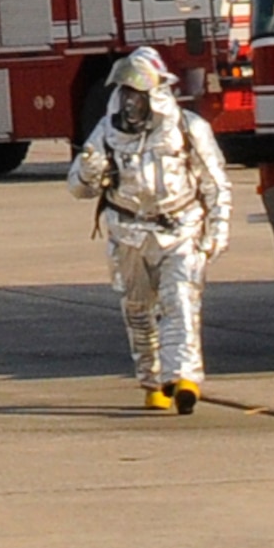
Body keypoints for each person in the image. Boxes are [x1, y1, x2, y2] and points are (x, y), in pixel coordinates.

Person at [68, 48, 232, 415]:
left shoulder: (189, 128)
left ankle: (184, 378)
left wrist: (217, 231)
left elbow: (216, 184)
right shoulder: (107, 131)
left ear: (154, 95)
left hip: (181, 228)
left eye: (136, 94)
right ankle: (154, 381)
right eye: (124, 93)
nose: (129, 102)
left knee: (181, 302)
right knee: (139, 312)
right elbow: (78, 188)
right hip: (127, 231)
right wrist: (90, 170)